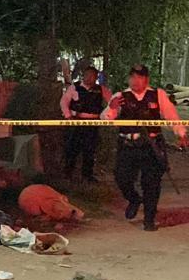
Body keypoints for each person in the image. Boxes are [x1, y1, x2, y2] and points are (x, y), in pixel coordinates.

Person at [101, 64, 188, 231]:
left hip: (151, 146)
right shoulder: (121, 96)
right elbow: (105, 119)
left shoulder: (158, 95)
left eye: (139, 77)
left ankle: (149, 219)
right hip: (128, 145)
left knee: (151, 183)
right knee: (122, 178)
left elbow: (172, 117)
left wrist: (181, 133)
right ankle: (134, 199)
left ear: (146, 79)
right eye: (132, 77)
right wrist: (112, 107)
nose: (135, 80)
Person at [60, 66, 111, 182]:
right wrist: (68, 116)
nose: (89, 78)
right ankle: (68, 174)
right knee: (72, 148)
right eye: (87, 75)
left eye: (93, 76)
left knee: (90, 149)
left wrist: (107, 115)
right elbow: (64, 102)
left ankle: (87, 175)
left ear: (96, 78)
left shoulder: (101, 89)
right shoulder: (74, 87)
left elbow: (113, 102)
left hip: (92, 124)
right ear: (83, 75)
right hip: (76, 123)